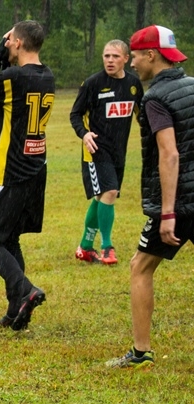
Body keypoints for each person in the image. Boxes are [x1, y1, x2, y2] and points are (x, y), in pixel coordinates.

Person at [106, 26, 193, 369]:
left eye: (137, 56)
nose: (134, 63)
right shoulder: (190, 86)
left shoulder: (155, 98)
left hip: (178, 200)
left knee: (140, 267)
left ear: (152, 55)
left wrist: (167, 212)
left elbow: (169, 155)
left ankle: (140, 353)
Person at [0, 21, 56, 331]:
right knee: (11, 239)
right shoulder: (48, 76)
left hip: (9, 172)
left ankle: (25, 290)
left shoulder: (15, 77)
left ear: (16, 42)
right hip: (36, 169)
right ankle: (16, 309)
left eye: (9, 42)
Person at [69, 40, 144, 265]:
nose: (109, 60)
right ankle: (107, 247)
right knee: (110, 191)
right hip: (95, 150)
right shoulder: (93, 83)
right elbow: (75, 114)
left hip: (118, 152)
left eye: (114, 56)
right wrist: (84, 134)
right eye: (106, 56)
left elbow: (143, 116)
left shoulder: (133, 85)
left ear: (126, 59)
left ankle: (84, 247)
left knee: (103, 197)